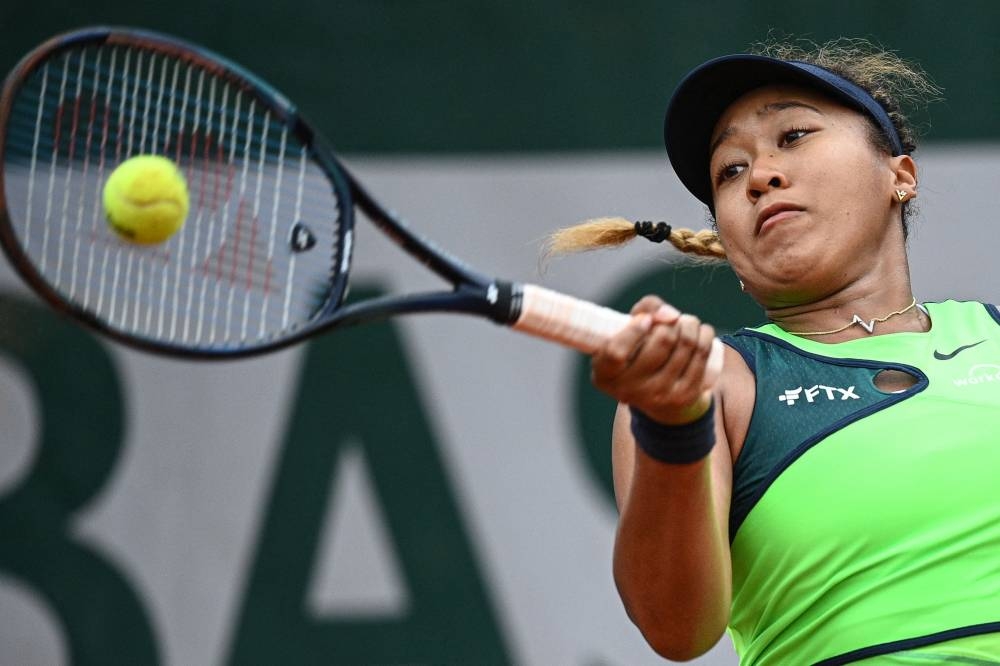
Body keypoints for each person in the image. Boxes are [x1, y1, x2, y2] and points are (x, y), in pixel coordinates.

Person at [553, 39, 1000, 664]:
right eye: (730, 172)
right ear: (730, 249)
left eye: (793, 135)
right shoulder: (717, 385)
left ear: (899, 177)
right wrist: (673, 426)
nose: (760, 176)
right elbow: (675, 630)